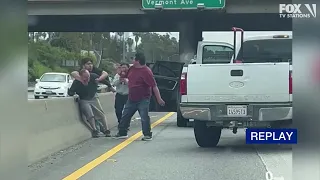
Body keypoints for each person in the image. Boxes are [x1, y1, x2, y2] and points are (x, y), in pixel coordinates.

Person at [114, 52, 165, 141]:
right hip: (131, 97)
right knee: (125, 115)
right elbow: (124, 76)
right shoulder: (131, 69)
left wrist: (159, 99)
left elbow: (154, 86)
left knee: (144, 116)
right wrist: (120, 73)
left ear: (137, 61)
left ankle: (147, 134)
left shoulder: (147, 71)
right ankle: (122, 132)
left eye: (133, 59)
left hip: (143, 98)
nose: (131, 60)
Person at [68, 69, 111, 138]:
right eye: (85, 77)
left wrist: (110, 86)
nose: (87, 78)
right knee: (90, 115)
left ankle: (107, 130)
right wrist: (74, 95)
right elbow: (70, 92)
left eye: (88, 76)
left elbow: (103, 80)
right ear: (80, 77)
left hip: (93, 97)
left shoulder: (93, 76)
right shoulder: (77, 82)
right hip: (84, 99)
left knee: (101, 114)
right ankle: (94, 130)